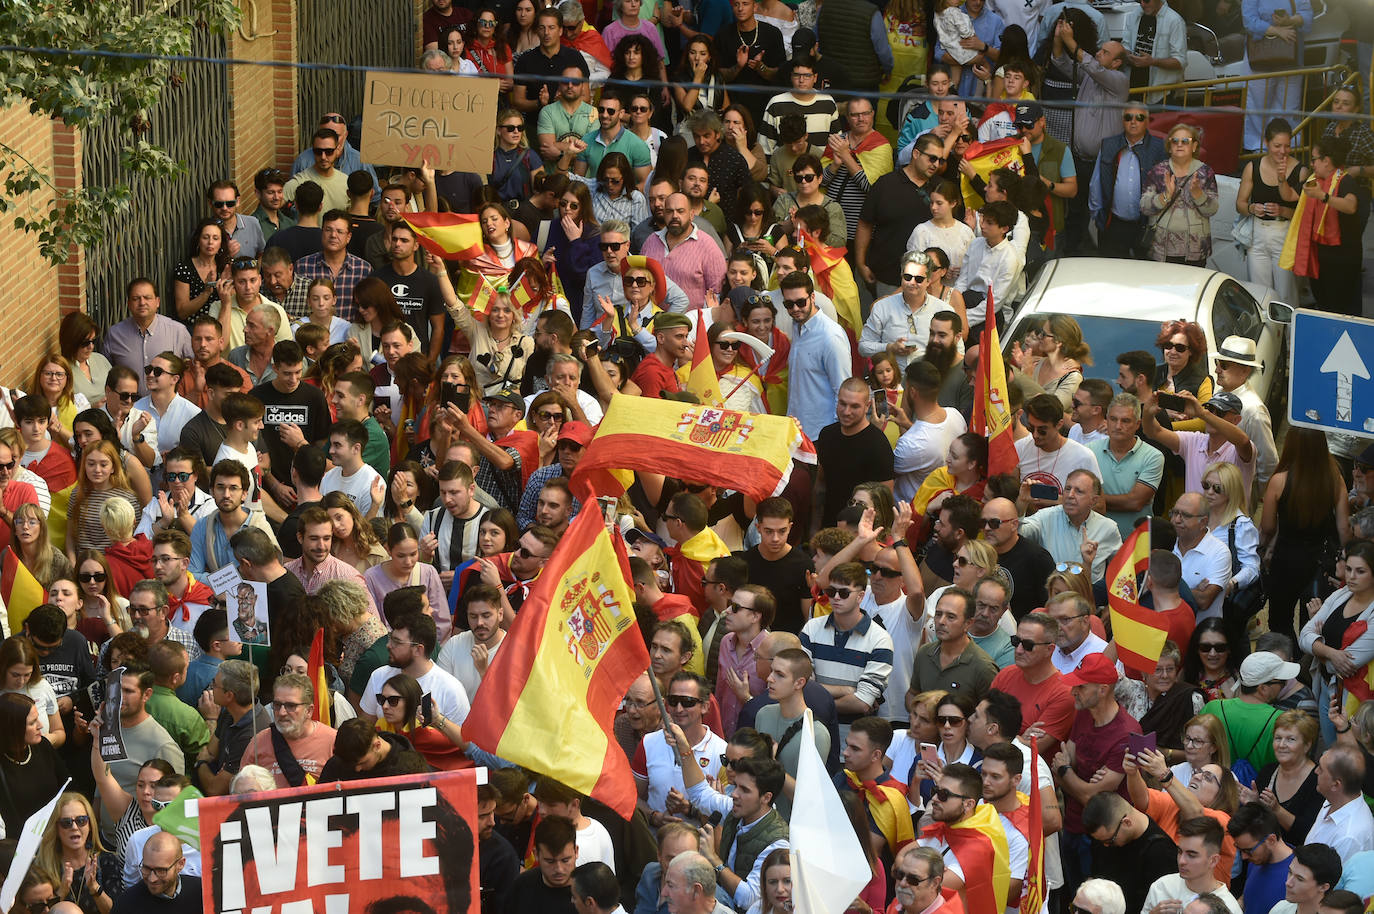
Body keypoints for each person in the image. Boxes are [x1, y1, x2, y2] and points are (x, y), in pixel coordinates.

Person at [1260, 427, 1350, 646]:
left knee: (1280, 621)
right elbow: (1344, 528)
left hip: (1285, 560)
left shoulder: (1279, 481)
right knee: (1314, 620)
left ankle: (1291, 663)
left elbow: (1268, 527)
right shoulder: (1335, 478)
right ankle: (1307, 663)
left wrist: (1263, 550)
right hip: (1321, 561)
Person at [1294, 134, 1371, 316]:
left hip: (1342, 259)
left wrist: (1324, 196)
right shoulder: (1315, 181)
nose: (1312, 164)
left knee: (1341, 309)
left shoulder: (1345, 181)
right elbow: (1292, 196)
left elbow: (1350, 205)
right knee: (1324, 304)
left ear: (1326, 161)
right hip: (1322, 256)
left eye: (1314, 160)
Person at [1140, 124, 1219, 266]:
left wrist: (1198, 194)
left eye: (1185, 141)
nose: (1179, 145)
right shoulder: (1158, 171)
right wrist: (1165, 196)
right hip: (1161, 250)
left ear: (1194, 146)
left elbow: (1212, 210)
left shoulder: (1205, 172)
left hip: (1195, 252)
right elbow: (1144, 207)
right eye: (1175, 141)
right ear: (1169, 147)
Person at [239, 673, 336, 787]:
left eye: (290, 706)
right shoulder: (258, 742)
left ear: (309, 711)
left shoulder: (333, 741)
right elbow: (241, 792)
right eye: (277, 705)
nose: (281, 712)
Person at [895, 361, 967, 501]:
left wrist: (876, 430)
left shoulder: (911, 443)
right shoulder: (956, 415)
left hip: (914, 513)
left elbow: (881, 471)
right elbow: (930, 437)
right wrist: (908, 425)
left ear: (912, 392)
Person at [1305, 744, 1374, 856]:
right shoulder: (1335, 799)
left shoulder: (1349, 837)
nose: (1316, 771)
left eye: (1321, 769)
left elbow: (1329, 874)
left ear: (1335, 785)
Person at [1227, 803, 1294, 914]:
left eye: (1248, 851)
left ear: (1271, 840)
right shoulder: (1257, 859)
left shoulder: (1297, 874)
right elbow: (1247, 898)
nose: (1244, 857)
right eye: (1239, 850)